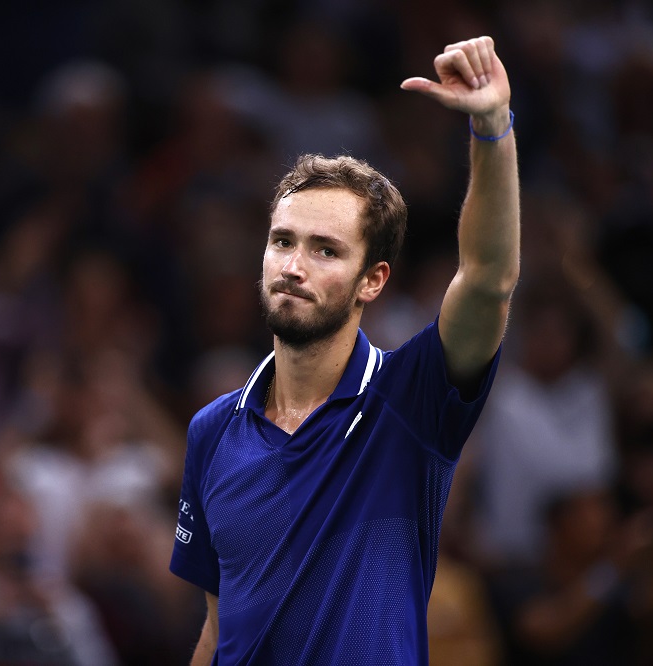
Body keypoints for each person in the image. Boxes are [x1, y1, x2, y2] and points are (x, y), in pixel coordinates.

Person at [169, 36, 520, 664]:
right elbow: (216, 630)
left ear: (373, 280)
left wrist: (492, 127)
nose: (294, 266)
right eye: (283, 241)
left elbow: (489, 278)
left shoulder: (411, 400)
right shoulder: (212, 430)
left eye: (326, 250)